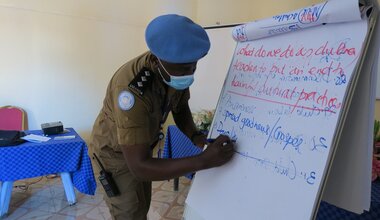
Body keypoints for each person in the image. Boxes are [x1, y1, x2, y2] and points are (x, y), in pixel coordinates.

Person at [89, 14, 235, 220]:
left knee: (143, 205)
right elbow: (140, 167)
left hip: (140, 147)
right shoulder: (131, 91)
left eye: (194, 65)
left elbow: (180, 107)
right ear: (158, 60)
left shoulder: (174, 71)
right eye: (185, 68)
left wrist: (196, 138)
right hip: (115, 155)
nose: (190, 72)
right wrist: (203, 160)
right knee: (130, 212)